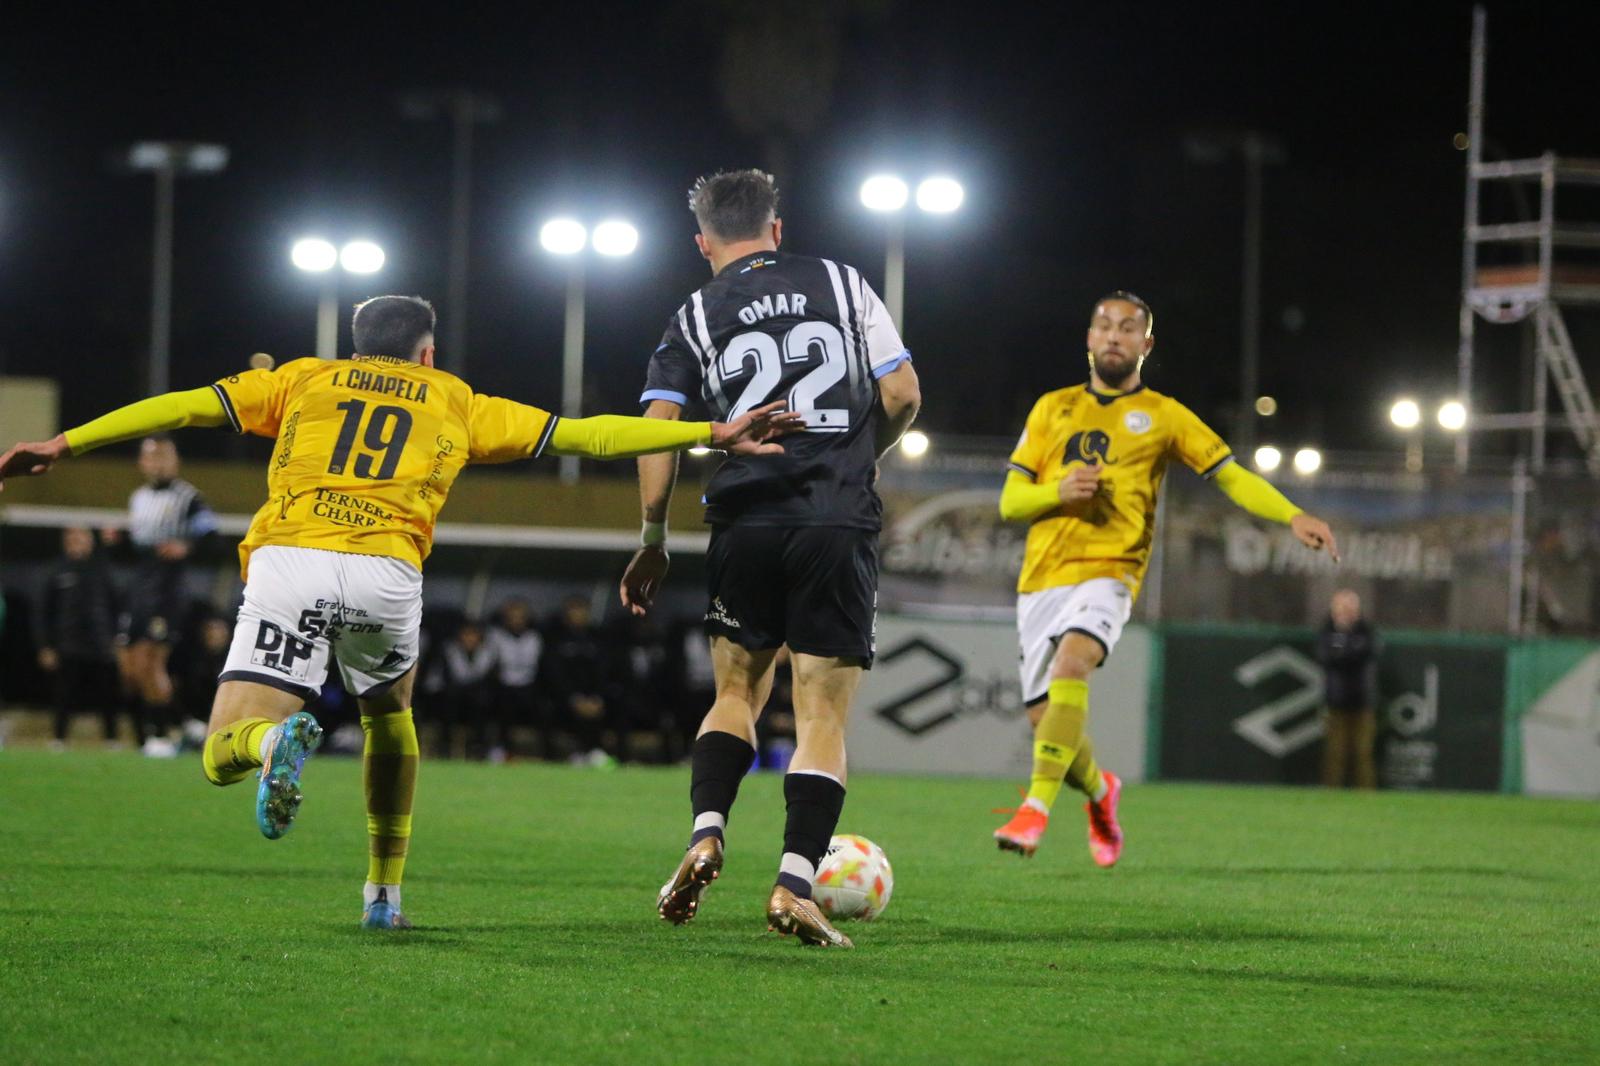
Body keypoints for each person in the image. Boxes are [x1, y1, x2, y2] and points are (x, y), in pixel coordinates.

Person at [0, 293, 800, 931]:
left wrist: (62, 446)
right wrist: (711, 431)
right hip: (386, 572)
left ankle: (275, 739)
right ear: (427, 352)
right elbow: (586, 436)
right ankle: (382, 896)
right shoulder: (454, 398)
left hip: (291, 558)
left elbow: (178, 409)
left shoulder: (304, 379)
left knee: (218, 749)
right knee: (391, 717)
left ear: (355, 348)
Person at [621, 169, 922, 948]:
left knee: (736, 689)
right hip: (834, 519)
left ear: (702, 243)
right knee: (819, 709)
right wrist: (867, 457)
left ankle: (706, 832)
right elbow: (903, 394)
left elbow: (656, 428)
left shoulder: (694, 311)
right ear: (777, 228)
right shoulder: (843, 282)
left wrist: (652, 539)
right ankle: (794, 883)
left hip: (746, 519)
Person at [991, 292, 1340, 863]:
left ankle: (1034, 808)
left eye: (1128, 329)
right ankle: (1102, 793)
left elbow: (1230, 476)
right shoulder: (1051, 408)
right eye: (1103, 325)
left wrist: (1292, 514)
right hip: (1042, 578)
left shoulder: (1164, 415)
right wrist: (1060, 491)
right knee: (1046, 720)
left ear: (1145, 345)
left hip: (1111, 571)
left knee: (1073, 663)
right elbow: (1010, 502)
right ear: (1088, 337)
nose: (1113, 336)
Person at [104, 436, 219, 756]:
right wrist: (118, 542)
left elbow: (213, 540)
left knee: (149, 661)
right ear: (142, 463)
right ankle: (184, 722)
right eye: (151, 457)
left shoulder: (188, 498)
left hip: (168, 588)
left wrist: (187, 547)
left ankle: (159, 735)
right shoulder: (138, 497)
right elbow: (137, 552)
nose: (157, 462)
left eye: (163, 456)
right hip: (141, 587)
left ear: (175, 460)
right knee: (129, 667)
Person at [34, 527, 122, 749]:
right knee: (64, 694)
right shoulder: (56, 570)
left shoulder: (103, 569)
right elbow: (44, 611)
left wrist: (118, 640)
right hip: (68, 644)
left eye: (82, 537)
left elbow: (117, 607)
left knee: (108, 694)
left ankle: (111, 739)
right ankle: (59, 738)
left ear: (90, 542)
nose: (77, 542)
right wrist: (45, 646)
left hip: (101, 644)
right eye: (72, 538)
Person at [1315, 588, 1380, 788]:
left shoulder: (1366, 630)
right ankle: (1330, 795)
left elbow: (1365, 654)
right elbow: (1325, 657)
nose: (1346, 611)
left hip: (1362, 700)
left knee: (1363, 753)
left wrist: (1343, 650)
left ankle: (1366, 795)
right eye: (1341, 606)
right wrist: (1346, 650)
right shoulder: (1327, 630)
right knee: (1334, 754)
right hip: (1335, 700)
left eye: (1350, 606)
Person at [487, 598, 544, 761]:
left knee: (543, 707)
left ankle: (546, 753)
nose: (516, 620)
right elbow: (491, 664)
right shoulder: (496, 636)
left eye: (520, 616)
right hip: (503, 685)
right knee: (502, 705)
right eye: (512, 616)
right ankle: (502, 750)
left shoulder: (534, 637)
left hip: (528, 685)